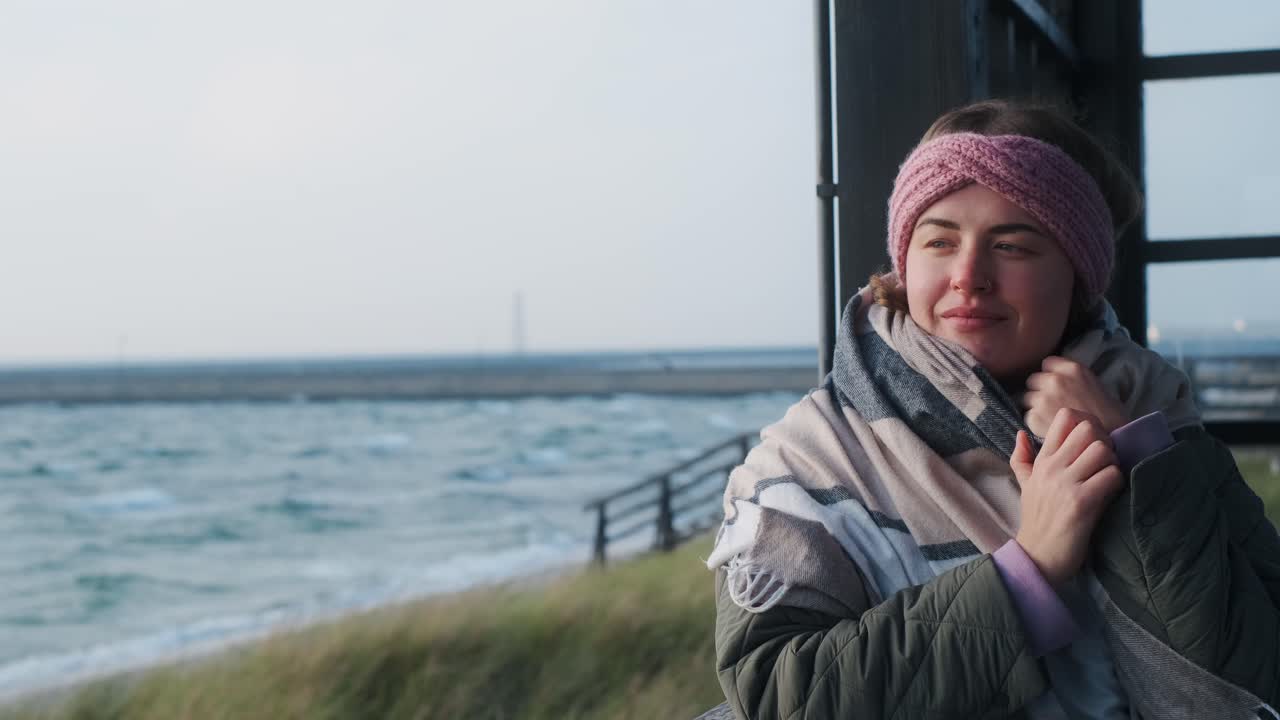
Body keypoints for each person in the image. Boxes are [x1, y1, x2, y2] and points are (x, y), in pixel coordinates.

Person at [706, 99, 1280, 719]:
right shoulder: (811, 456)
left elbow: (1255, 678)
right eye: (939, 241)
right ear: (906, 261)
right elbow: (775, 695)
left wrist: (1136, 466)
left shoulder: (1152, 418)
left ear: (1079, 275)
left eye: (1012, 246)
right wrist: (1027, 571)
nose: (969, 275)